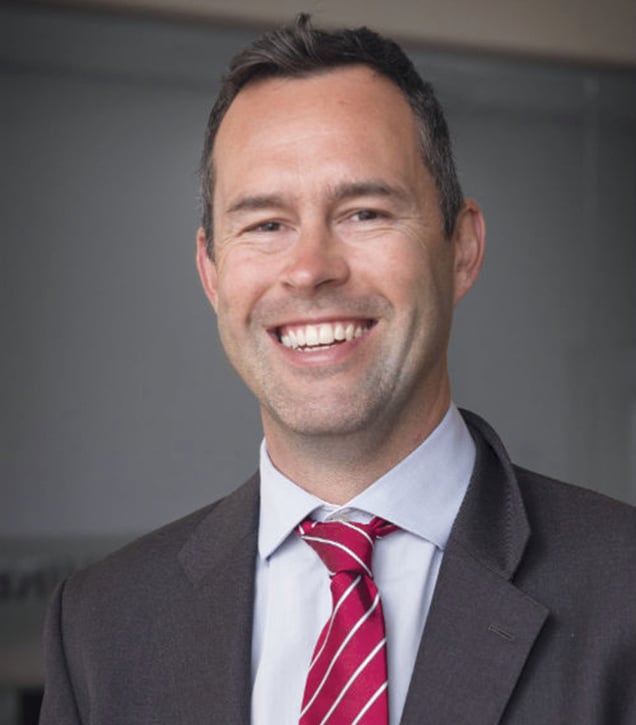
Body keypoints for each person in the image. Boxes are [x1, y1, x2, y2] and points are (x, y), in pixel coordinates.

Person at [40, 14, 635, 725]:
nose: (310, 269)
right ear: (212, 273)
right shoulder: (102, 627)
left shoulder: (622, 590)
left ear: (462, 249)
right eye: (266, 224)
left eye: (365, 212)